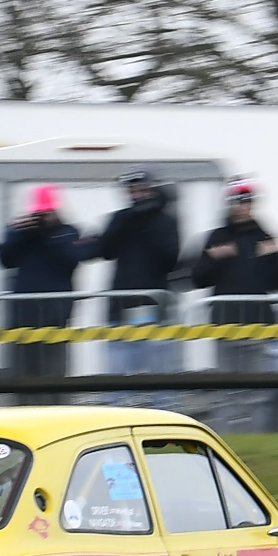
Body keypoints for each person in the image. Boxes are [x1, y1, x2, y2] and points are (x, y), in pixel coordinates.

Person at [191, 181, 278, 431]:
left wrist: (273, 256)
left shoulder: (265, 236)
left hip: (259, 324)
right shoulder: (217, 237)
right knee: (227, 389)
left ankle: (258, 436)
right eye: (237, 202)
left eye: (246, 202)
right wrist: (216, 259)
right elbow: (197, 278)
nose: (242, 207)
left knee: (258, 389)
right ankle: (227, 437)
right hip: (225, 324)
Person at [0, 184, 88, 398]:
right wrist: (21, 232)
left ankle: (56, 408)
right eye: (38, 213)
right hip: (22, 314)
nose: (41, 217)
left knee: (53, 371)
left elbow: (69, 259)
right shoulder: (21, 232)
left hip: (54, 314)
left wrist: (49, 234)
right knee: (22, 372)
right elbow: (5, 260)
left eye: (46, 213)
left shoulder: (67, 231)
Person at [99, 172, 180, 403]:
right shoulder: (121, 218)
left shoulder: (164, 220)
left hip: (154, 305)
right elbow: (105, 251)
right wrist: (128, 220)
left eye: (141, 189)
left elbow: (171, 259)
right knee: (119, 377)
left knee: (160, 375)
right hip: (121, 305)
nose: (137, 195)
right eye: (132, 190)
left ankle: (164, 421)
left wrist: (149, 222)